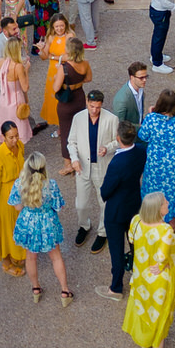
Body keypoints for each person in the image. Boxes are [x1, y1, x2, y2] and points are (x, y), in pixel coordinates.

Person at [121, 192, 175, 348]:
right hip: (158, 280)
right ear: (157, 209)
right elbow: (163, 257)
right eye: (164, 202)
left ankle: (145, 340)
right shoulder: (165, 231)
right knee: (161, 313)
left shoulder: (136, 220)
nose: (167, 203)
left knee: (144, 307)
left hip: (140, 275)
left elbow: (131, 238)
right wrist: (164, 265)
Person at [9, 151, 74, 306]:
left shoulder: (19, 183)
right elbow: (58, 206)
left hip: (28, 222)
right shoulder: (50, 184)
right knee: (56, 257)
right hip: (47, 222)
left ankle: (36, 289)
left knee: (31, 257)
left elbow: (17, 207)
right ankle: (65, 291)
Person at [96, 121, 147, 300]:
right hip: (134, 205)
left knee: (117, 250)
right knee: (135, 245)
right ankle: (138, 278)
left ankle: (116, 288)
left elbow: (106, 190)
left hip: (116, 211)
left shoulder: (117, 163)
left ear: (118, 139)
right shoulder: (141, 151)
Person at [67, 89, 118, 245]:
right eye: (91, 106)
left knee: (104, 202)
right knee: (81, 204)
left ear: (101, 105)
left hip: (102, 167)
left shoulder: (111, 119)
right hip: (82, 167)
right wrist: (74, 159)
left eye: (97, 107)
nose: (94, 110)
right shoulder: (78, 118)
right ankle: (84, 225)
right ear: (87, 103)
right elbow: (72, 142)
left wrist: (108, 148)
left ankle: (103, 232)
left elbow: (118, 142)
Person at [137, 89, 175, 224]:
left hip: (156, 161)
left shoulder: (151, 119)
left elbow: (142, 135)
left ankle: (153, 217)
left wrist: (150, 114)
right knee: (174, 191)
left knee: (153, 188)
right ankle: (172, 221)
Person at [0, 121, 26, 275]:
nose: (14, 140)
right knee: (5, 229)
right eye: (10, 137)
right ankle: (6, 262)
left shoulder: (20, 146)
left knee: (18, 225)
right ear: (3, 137)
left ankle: (16, 254)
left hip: (19, 191)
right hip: (6, 194)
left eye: (16, 136)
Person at [52, 37, 91, 164]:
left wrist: (56, 76)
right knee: (79, 129)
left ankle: (68, 163)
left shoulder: (64, 68)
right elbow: (88, 78)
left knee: (66, 132)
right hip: (79, 97)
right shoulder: (85, 63)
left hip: (67, 102)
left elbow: (56, 87)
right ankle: (80, 156)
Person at [37, 11, 70, 127]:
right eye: (57, 26)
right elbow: (44, 57)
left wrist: (53, 57)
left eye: (61, 25)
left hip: (66, 70)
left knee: (66, 96)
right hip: (53, 71)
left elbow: (70, 56)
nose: (59, 29)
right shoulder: (50, 37)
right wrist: (41, 50)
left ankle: (66, 124)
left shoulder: (70, 36)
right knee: (54, 97)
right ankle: (59, 125)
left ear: (65, 24)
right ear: (52, 27)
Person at [0, 36, 33, 143]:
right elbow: (25, 87)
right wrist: (26, 70)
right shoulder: (18, 66)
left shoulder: (0, 62)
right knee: (18, 126)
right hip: (16, 99)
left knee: (6, 123)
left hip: (4, 98)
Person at [112, 61, 148, 129]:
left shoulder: (140, 89)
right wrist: (139, 127)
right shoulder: (122, 99)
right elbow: (119, 124)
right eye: (141, 78)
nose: (144, 80)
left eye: (146, 77)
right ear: (132, 77)